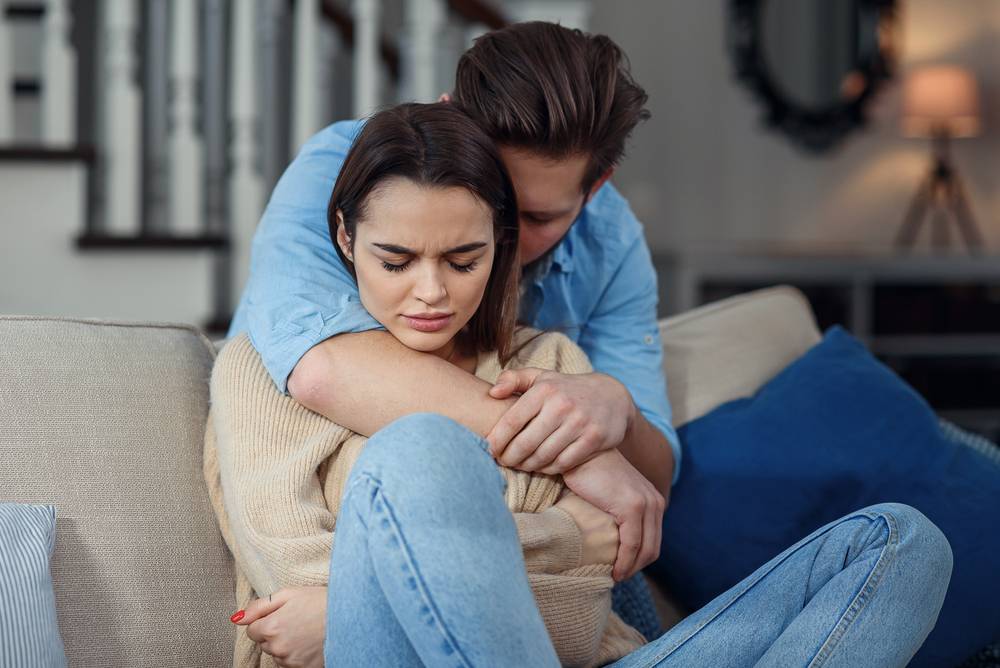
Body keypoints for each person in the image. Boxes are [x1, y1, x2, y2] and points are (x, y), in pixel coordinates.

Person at [208, 103, 953, 668]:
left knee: (904, 541)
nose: (429, 292)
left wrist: (378, 591)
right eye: (395, 260)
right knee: (425, 450)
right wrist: (565, 537)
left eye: (462, 260)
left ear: (501, 243)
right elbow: (295, 589)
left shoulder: (553, 368)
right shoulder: (262, 368)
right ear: (345, 237)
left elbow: (591, 605)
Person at [227, 22, 673, 587]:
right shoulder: (350, 169)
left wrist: (620, 413)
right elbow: (322, 366)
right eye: (488, 194)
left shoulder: (609, 247)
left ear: (598, 186)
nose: (501, 234)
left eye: (536, 218)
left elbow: (647, 489)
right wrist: (584, 457)